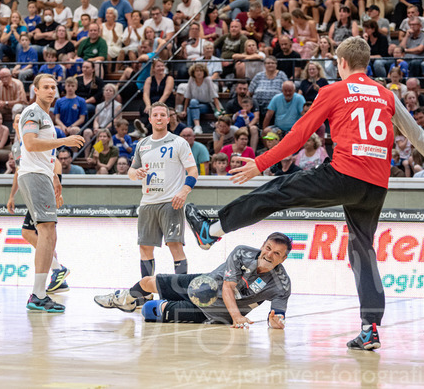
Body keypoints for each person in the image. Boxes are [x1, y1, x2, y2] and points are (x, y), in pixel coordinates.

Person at [183, 37, 424, 350]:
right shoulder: (386, 94)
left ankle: (211, 230)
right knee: (363, 252)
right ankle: (370, 328)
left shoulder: (334, 90)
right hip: (377, 185)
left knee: (277, 190)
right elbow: (419, 139)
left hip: (344, 174)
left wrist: (261, 164)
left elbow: (298, 136)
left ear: (342, 63)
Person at [94, 232, 291, 330]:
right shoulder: (242, 252)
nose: (269, 255)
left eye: (276, 254)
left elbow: (278, 315)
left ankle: (147, 305)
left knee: (150, 311)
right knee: (147, 282)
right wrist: (238, 317)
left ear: (283, 259)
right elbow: (227, 287)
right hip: (204, 285)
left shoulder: (281, 284)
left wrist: (276, 322)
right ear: (262, 246)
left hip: (218, 312)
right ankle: (126, 300)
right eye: (268, 248)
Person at [18, 73, 84, 312]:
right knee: (46, 232)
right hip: (34, 175)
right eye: (45, 87)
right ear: (35, 90)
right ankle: (38, 293)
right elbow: (31, 144)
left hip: (42, 175)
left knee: (47, 233)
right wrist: (64, 139)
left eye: (53, 87)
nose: (50, 90)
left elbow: (47, 155)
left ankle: (42, 289)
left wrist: (56, 178)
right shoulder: (33, 112)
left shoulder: (45, 116)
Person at [126, 102, 199, 306]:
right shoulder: (142, 144)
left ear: (168, 119)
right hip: (148, 203)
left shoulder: (178, 143)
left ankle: (180, 293)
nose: (158, 118)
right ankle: (146, 293)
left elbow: (193, 172)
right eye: (155, 115)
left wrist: (184, 191)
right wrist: (136, 173)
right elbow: (131, 172)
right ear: (149, 119)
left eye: (162, 115)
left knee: (175, 246)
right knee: (145, 248)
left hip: (171, 202)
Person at [7, 113, 73, 297]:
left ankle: (57, 270)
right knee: (38, 233)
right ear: (14, 125)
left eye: (24, 119)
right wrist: (12, 196)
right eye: (18, 120)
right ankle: (57, 274)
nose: (22, 122)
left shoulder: (34, 139)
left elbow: (56, 163)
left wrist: (57, 186)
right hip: (32, 186)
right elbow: (19, 171)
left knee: (37, 232)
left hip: (42, 186)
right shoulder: (17, 146)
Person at [182, 63, 223, 134]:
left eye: (201, 71)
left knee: (191, 107)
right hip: (194, 104)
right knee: (192, 103)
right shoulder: (191, 79)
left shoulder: (208, 80)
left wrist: (219, 110)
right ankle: (196, 126)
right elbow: (187, 96)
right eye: (197, 71)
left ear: (204, 72)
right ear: (193, 72)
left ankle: (190, 127)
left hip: (207, 104)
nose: (199, 73)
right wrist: (184, 110)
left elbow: (214, 96)